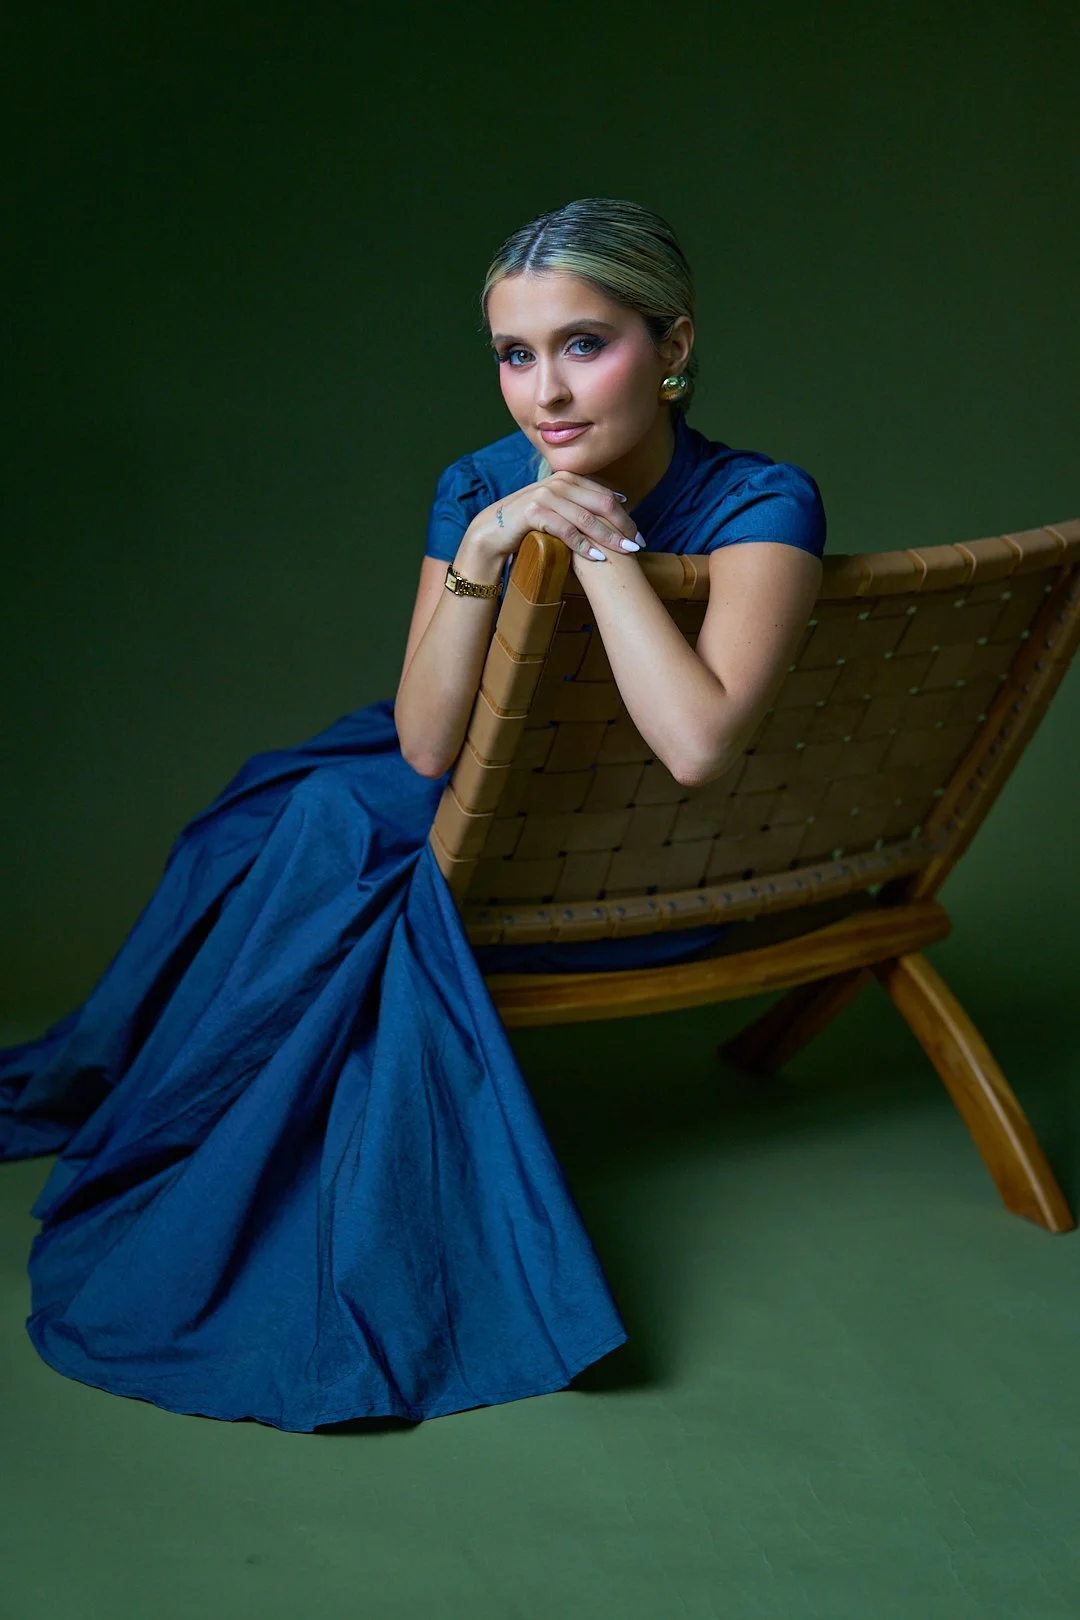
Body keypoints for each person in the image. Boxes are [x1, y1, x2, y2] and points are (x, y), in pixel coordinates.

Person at [0, 198, 825, 1431]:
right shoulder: (482, 485)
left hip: (615, 851)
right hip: (473, 786)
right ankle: (162, 1098)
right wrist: (489, 549)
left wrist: (597, 546)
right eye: (514, 354)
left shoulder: (765, 500)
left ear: (676, 344)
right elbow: (429, 741)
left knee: (327, 825)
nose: (545, 391)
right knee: (260, 820)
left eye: (584, 344)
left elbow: (698, 744)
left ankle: (245, 1182)